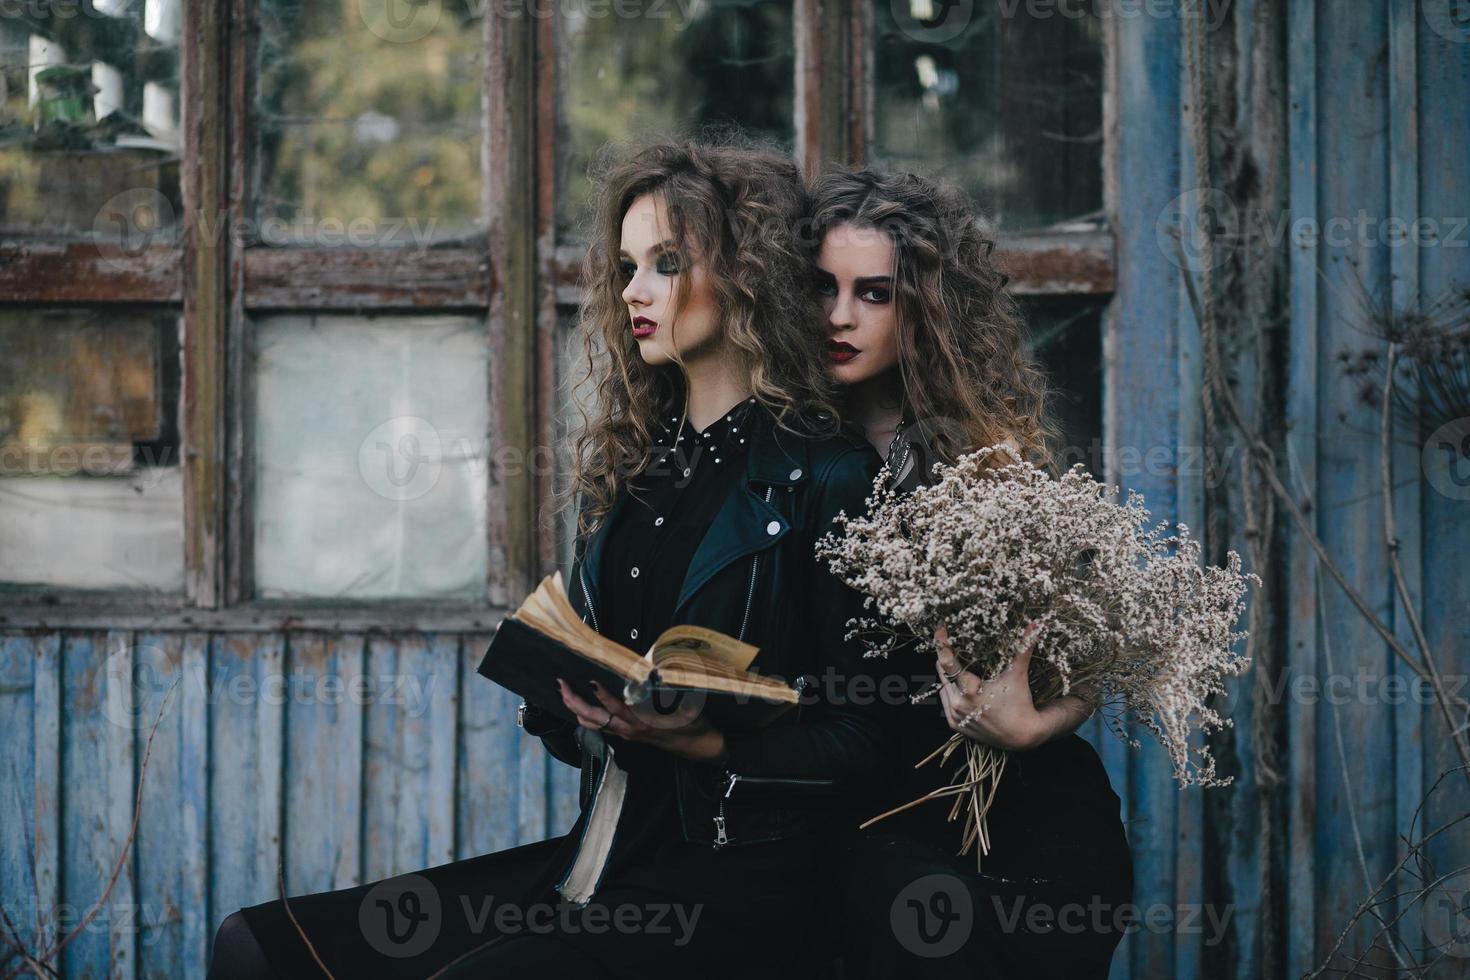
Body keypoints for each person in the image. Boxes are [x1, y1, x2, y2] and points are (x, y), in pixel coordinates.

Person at [204, 136, 888, 979]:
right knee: (257, 948)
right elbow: (587, 723)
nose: (634, 290)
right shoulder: (634, 465)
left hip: (741, 885)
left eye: (667, 263)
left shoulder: (830, 475)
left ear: (747, 274)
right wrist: (565, 705)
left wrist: (711, 749)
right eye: (628, 265)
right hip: (600, 855)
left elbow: (871, 738)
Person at [806, 166, 1134, 979]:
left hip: (1035, 822)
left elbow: (1095, 651)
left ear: (925, 308)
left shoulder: (988, 456)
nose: (839, 317)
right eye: (822, 288)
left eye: (875, 294)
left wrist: (1034, 726)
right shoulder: (787, 458)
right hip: (881, 832)